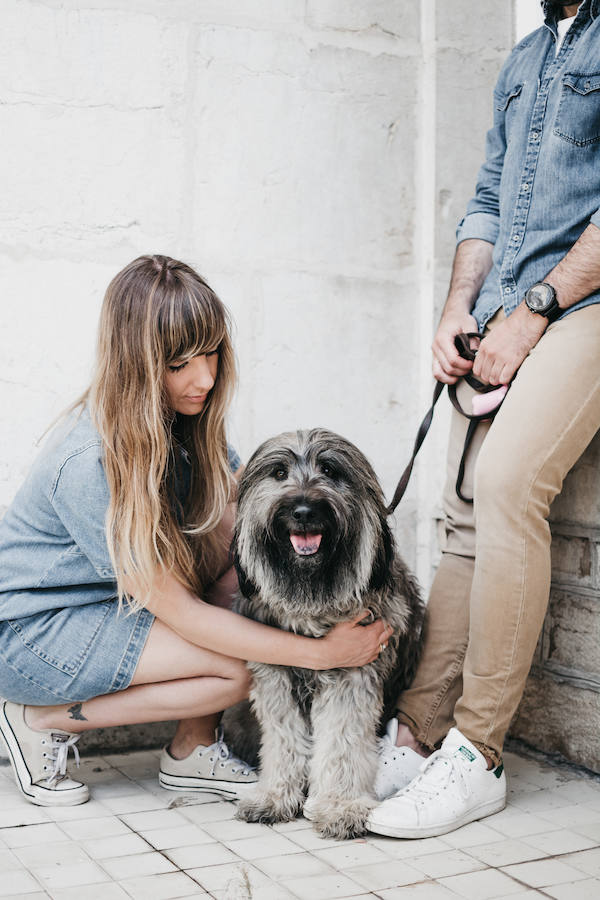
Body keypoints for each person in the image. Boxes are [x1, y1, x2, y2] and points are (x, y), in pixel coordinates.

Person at [0, 254, 393, 807]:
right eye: (180, 361)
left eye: (210, 352)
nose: (205, 378)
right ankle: (40, 719)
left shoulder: (186, 424)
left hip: (111, 612)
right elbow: (184, 614)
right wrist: (323, 654)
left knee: (242, 547)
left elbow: (246, 524)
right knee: (237, 669)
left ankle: (192, 749)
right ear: (135, 363)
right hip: (32, 634)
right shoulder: (90, 462)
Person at [369, 0, 600, 839]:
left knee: (506, 486)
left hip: (584, 307)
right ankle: (419, 734)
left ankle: (479, 756)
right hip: (509, 304)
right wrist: (458, 309)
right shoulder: (526, 57)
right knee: (460, 511)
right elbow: (490, 198)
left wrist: (534, 312)